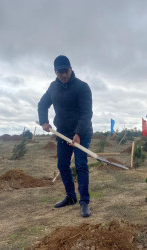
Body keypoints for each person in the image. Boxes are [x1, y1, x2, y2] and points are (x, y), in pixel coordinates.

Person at [38, 55, 93, 218]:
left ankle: (84, 202)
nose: (63, 75)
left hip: (82, 132)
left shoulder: (82, 87)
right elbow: (42, 104)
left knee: (81, 165)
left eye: (66, 71)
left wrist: (78, 134)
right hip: (62, 132)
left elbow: (86, 113)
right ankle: (70, 197)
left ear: (71, 69)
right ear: (55, 72)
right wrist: (44, 122)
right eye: (60, 72)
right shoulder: (53, 87)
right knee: (62, 165)